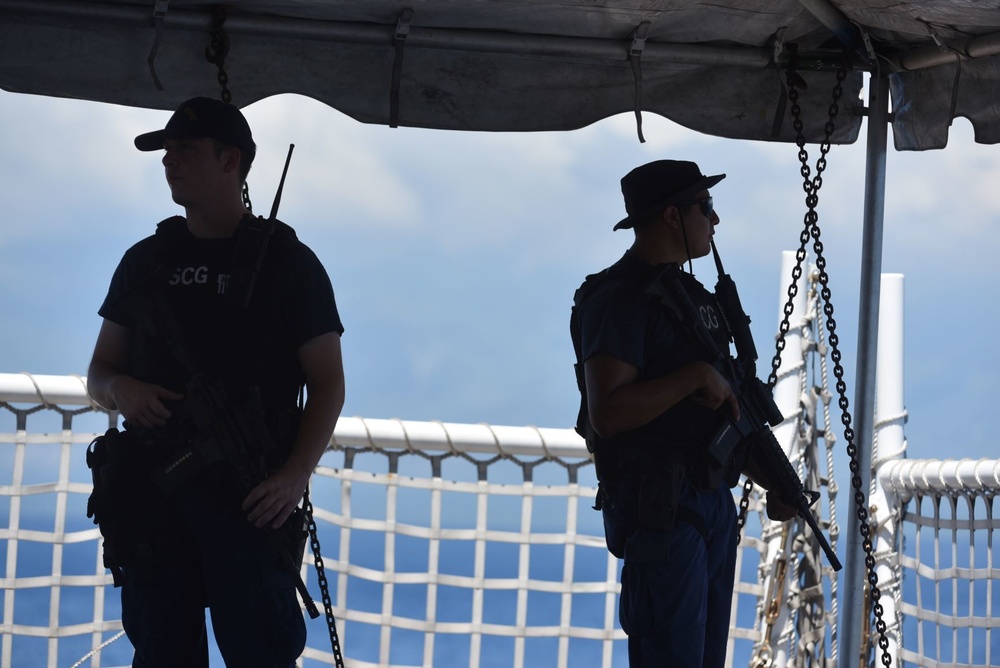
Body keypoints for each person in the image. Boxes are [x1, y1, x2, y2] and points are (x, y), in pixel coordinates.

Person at [86, 96, 346, 667]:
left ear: (231, 160)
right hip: (153, 498)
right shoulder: (145, 261)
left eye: (185, 150)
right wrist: (120, 391)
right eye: (166, 151)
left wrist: (292, 477)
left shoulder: (288, 264)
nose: (169, 162)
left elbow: (328, 383)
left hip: (249, 498)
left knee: (260, 654)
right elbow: (100, 371)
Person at [570, 160, 796, 667]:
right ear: (672, 216)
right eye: (705, 208)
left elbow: (726, 413)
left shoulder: (693, 299)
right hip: (663, 515)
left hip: (709, 506)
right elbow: (608, 411)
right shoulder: (618, 299)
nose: (714, 222)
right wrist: (694, 376)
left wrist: (774, 483)